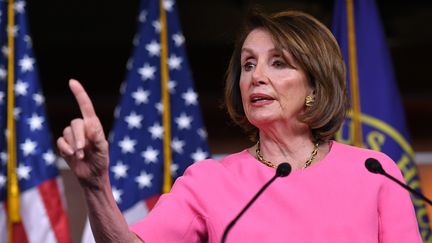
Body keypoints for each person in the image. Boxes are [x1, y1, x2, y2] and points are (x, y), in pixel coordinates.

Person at [57, 10, 422, 243]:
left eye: (278, 63)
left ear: (314, 85)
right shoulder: (208, 182)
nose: (256, 76)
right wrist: (94, 186)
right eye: (248, 65)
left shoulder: (374, 174)